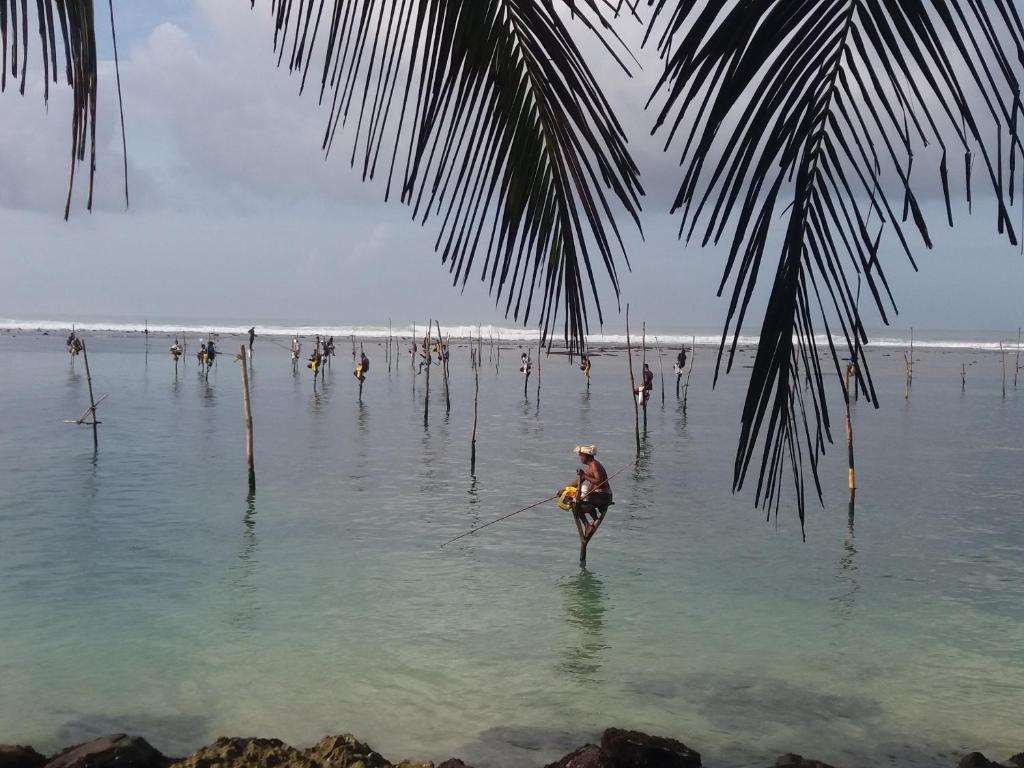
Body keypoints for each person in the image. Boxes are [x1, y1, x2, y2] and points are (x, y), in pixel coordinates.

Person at [562, 445, 612, 535]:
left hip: (604, 496)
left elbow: (599, 481)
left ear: (586, 456)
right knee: (575, 504)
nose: (580, 458)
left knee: (577, 505)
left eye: (581, 456)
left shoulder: (594, 465)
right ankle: (592, 521)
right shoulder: (590, 467)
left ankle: (587, 525)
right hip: (596, 496)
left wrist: (584, 476)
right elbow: (577, 482)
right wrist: (564, 490)